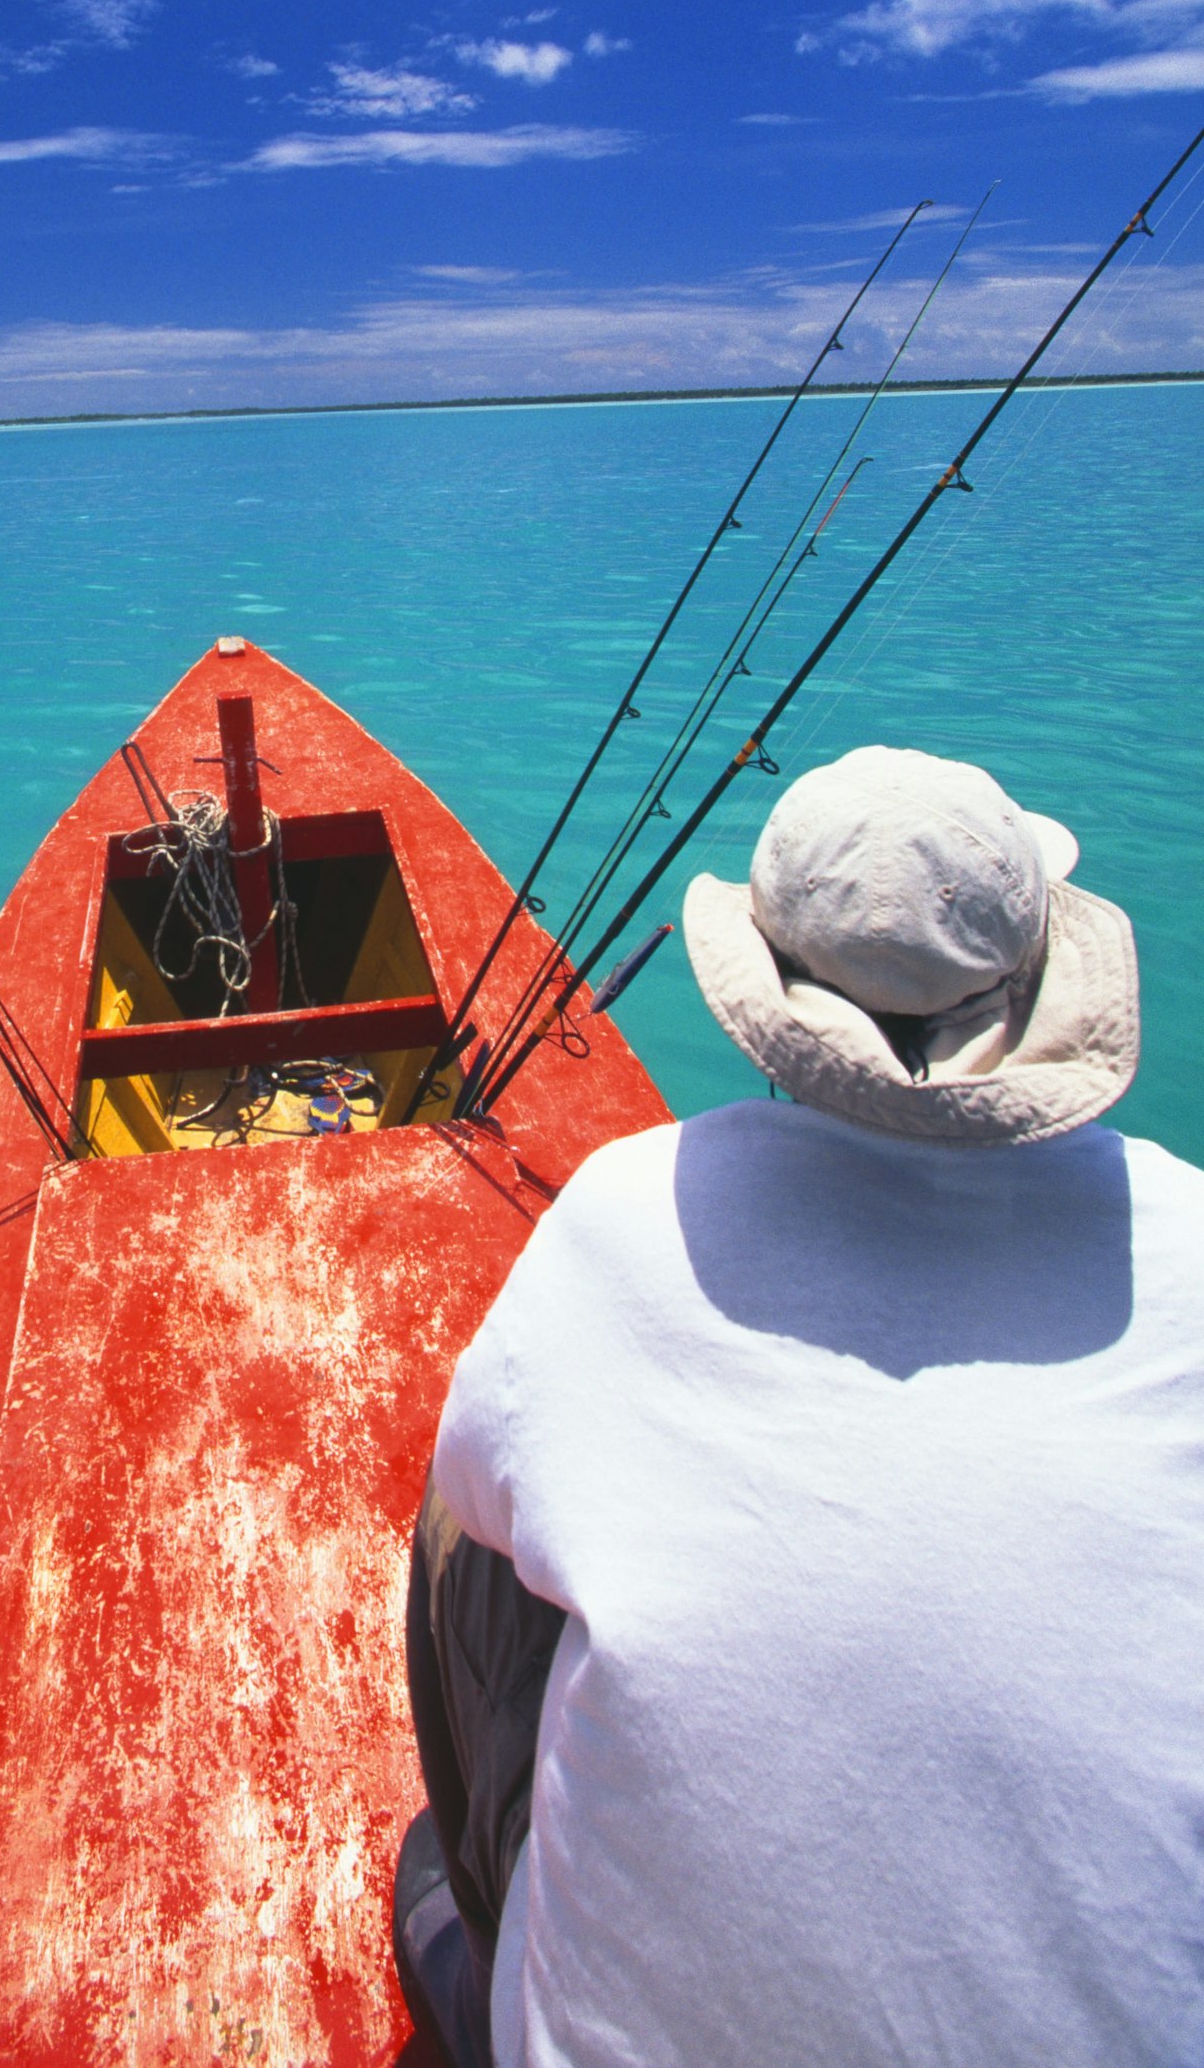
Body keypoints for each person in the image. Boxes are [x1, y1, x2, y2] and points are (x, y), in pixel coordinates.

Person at [393, 745, 1204, 2068]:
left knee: (472, 1529)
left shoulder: (624, 1212)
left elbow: (476, 1495)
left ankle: (472, 1903)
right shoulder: (1186, 1239)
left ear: (763, 991)